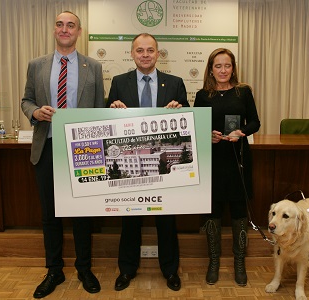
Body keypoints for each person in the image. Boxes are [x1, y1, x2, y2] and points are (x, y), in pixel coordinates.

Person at [21, 11, 104, 298]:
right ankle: (54, 270)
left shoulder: (92, 66)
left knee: (82, 213)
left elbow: (99, 109)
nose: (64, 29)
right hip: (47, 147)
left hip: (83, 150)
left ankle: (84, 268)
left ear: (79, 31)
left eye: (70, 25)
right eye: (59, 24)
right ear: (54, 30)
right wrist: (34, 111)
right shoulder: (37, 65)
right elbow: (26, 98)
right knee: (49, 215)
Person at [107, 33, 189, 292]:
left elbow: (188, 121)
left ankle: (170, 271)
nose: (145, 54)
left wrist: (181, 109)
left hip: (164, 166)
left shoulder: (175, 83)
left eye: (150, 50)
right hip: (132, 165)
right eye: (140, 50)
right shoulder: (119, 82)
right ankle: (127, 270)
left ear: (158, 53)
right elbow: (106, 121)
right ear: (132, 54)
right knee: (129, 220)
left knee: (167, 220)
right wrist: (112, 107)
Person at [194, 48, 261, 286]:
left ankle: (239, 263)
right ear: (211, 69)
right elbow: (195, 125)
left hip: (238, 158)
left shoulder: (244, 92)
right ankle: (214, 262)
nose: (223, 70)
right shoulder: (203, 95)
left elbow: (255, 122)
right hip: (212, 159)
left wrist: (241, 132)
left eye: (227, 66)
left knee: (238, 210)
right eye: (218, 66)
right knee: (212, 211)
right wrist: (206, 134)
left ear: (233, 67)